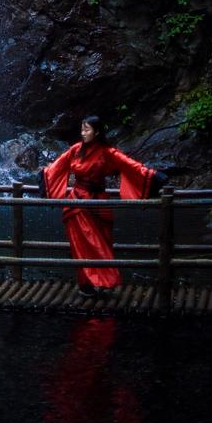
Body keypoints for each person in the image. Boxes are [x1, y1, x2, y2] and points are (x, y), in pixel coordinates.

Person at [39, 116, 166, 296]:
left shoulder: (107, 152)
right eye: (82, 129)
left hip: (99, 201)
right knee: (82, 243)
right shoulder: (76, 149)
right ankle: (86, 284)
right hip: (78, 202)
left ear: (97, 132)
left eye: (87, 130)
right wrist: (44, 177)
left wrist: (153, 176)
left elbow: (129, 165)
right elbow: (58, 166)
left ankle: (104, 281)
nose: (83, 133)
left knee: (101, 243)